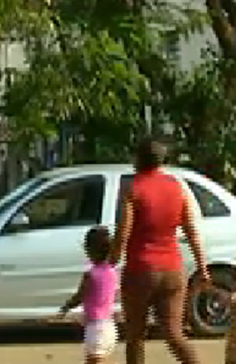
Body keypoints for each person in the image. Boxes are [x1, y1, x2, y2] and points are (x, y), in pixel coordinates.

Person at [109, 138, 209, 364]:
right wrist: (202, 267)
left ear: (138, 159)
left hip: (140, 270)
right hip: (173, 269)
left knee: (135, 336)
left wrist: (110, 261)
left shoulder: (133, 188)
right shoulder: (175, 186)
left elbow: (123, 233)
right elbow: (191, 229)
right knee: (174, 335)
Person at [58, 226, 119, 364]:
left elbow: (80, 296)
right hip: (109, 325)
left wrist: (67, 306)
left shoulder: (90, 275)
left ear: (89, 249)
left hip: (96, 326)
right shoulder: (112, 271)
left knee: (94, 360)